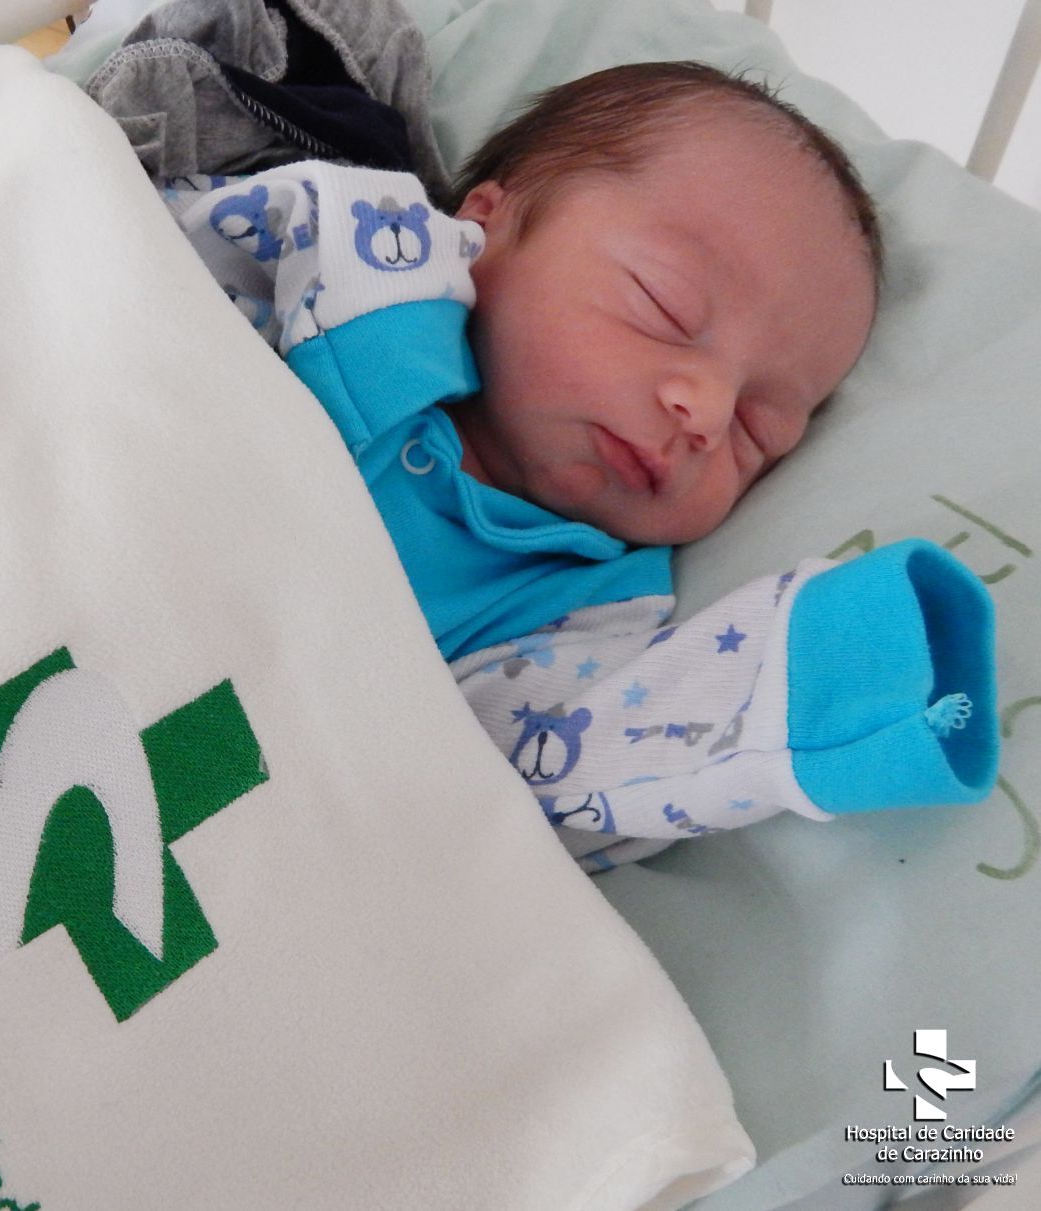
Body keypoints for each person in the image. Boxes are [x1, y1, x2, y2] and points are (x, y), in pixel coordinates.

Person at [161, 62, 998, 869]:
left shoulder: (581, 612)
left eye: (758, 429)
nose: (707, 412)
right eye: (665, 305)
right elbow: (126, 271)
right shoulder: (357, 273)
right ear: (484, 226)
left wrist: (847, 673)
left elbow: (566, 774)